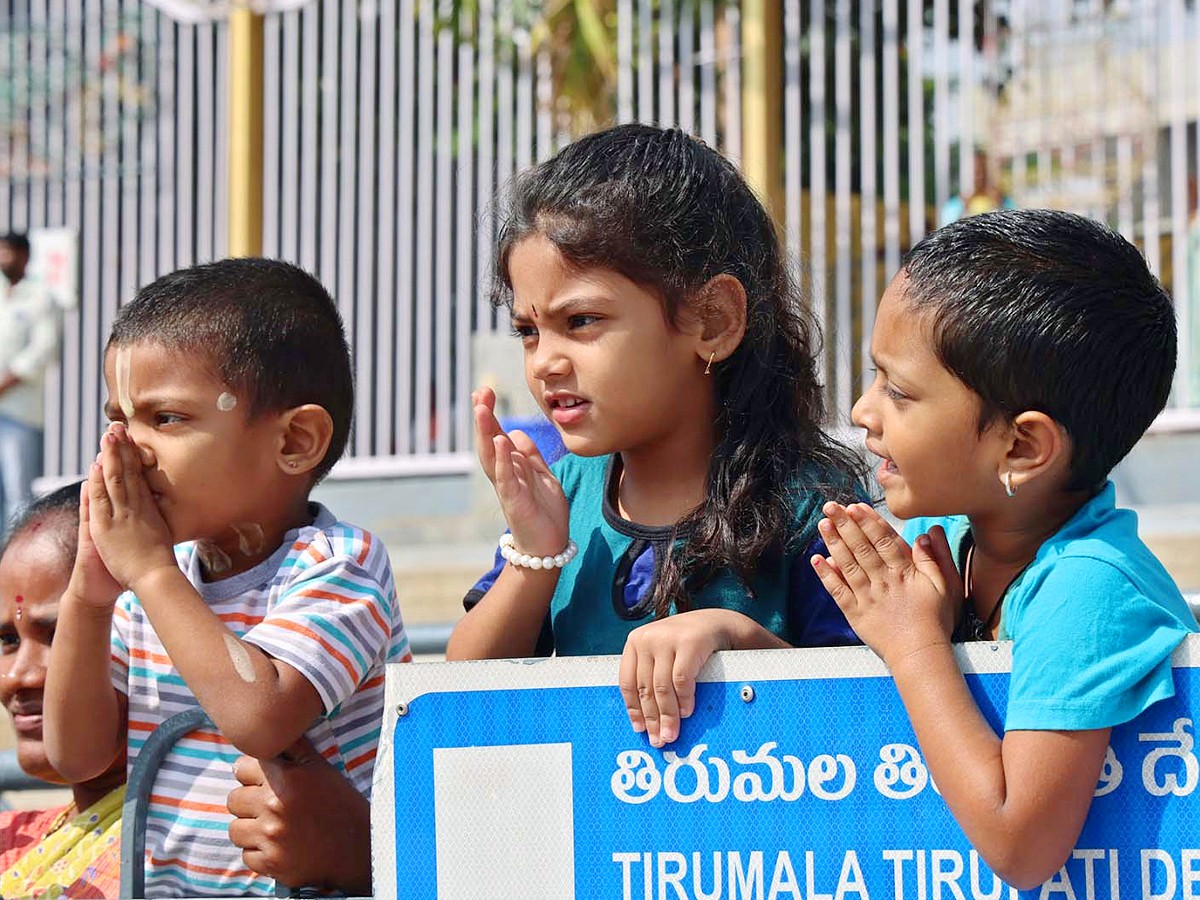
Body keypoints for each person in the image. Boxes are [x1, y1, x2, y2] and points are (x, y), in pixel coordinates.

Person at [809, 209, 1198, 888]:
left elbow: (1023, 845)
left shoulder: (1090, 590)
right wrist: (730, 637)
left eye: (898, 391)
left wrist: (916, 645)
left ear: (1021, 446)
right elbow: (838, 699)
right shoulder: (945, 544)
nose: (864, 413)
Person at [446, 124, 864, 749]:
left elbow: (866, 717)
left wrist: (735, 637)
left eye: (581, 321)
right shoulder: (563, 500)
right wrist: (534, 560)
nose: (544, 363)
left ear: (712, 321)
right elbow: (460, 702)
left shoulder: (815, 507)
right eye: (528, 331)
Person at [43, 259, 412, 896]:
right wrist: (89, 596)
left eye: (166, 419)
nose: (128, 450)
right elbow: (75, 755)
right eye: (119, 420)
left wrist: (151, 571)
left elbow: (260, 716)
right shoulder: (149, 591)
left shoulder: (338, 566)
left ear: (296, 440)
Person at [0, 482, 124, 898]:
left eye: (56, 633)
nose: (19, 676)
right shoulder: (15, 841)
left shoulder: (194, 851)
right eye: (7, 640)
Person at [0, 232, 61, 528]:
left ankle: (13, 568)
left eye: (8, 252)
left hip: (19, 413)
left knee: (18, 493)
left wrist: (6, 383)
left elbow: (43, 348)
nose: (3, 258)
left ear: (25, 256)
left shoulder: (40, 297)